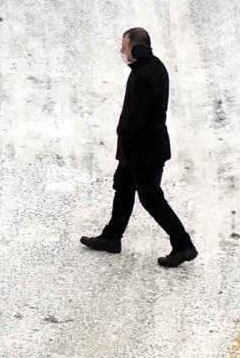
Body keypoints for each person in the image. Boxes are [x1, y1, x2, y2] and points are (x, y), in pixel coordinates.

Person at [81, 27, 197, 268]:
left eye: (125, 47)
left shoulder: (144, 76)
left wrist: (122, 131)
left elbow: (136, 119)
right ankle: (112, 237)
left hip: (145, 151)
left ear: (139, 50)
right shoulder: (152, 66)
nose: (121, 51)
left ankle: (183, 246)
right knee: (123, 187)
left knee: (151, 198)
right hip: (136, 149)